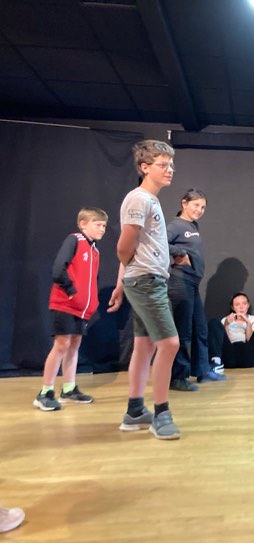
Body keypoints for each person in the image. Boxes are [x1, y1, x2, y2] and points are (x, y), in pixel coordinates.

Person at [107, 140, 181, 440]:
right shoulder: (140, 199)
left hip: (143, 278)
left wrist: (121, 282)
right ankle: (161, 412)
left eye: (171, 165)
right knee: (170, 344)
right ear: (144, 167)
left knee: (144, 346)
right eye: (163, 165)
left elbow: (134, 248)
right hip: (147, 280)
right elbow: (124, 246)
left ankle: (135, 410)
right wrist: (129, 275)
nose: (170, 170)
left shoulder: (150, 200)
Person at [34, 207, 108, 411]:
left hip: (81, 309)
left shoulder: (95, 250)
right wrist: (72, 291)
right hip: (65, 303)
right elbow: (58, 268)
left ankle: (68, 388)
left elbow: (91, 280)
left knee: (74, 345)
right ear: (83, 224)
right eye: (98, 224)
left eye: (104, 226)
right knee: (61, 344)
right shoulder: (74, 239)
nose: (102, 229)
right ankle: (45, 392)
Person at [167, 189, 223, 392]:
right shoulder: (175, 225)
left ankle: (202, 370)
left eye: (203, 207)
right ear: (184, 203)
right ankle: (178, 377)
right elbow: (159, 243)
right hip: (180, 282)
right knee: (183, 332)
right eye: (196, 205)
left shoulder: (192, 225)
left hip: (192, 283)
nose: (199, 210)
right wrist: (180, 253)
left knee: (200, 329)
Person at [207, 292, 254, 373]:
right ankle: (216, 362)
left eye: (244, 303)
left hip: (249, 354)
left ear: (248, 305)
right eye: (237, 304)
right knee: (214, 322)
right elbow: (224, 342)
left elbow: (251, 340)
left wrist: (248, 323)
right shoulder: (226, 319)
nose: (241, 307)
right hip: (230, 354)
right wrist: (226, 324)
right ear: (233, 307)